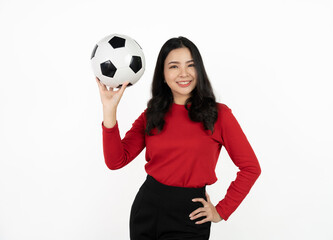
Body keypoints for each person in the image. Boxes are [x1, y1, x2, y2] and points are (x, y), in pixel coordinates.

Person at [96, 36, 261, 240]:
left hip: (189, 216)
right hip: (147, 208)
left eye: (190, 65)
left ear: (199, 70)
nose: (184, 73)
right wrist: (109, 110)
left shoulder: (219, 115)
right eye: (174, 66)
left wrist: (221, 211)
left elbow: (251, 168)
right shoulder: (152, 114)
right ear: (163, 74)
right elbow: (115, 161)